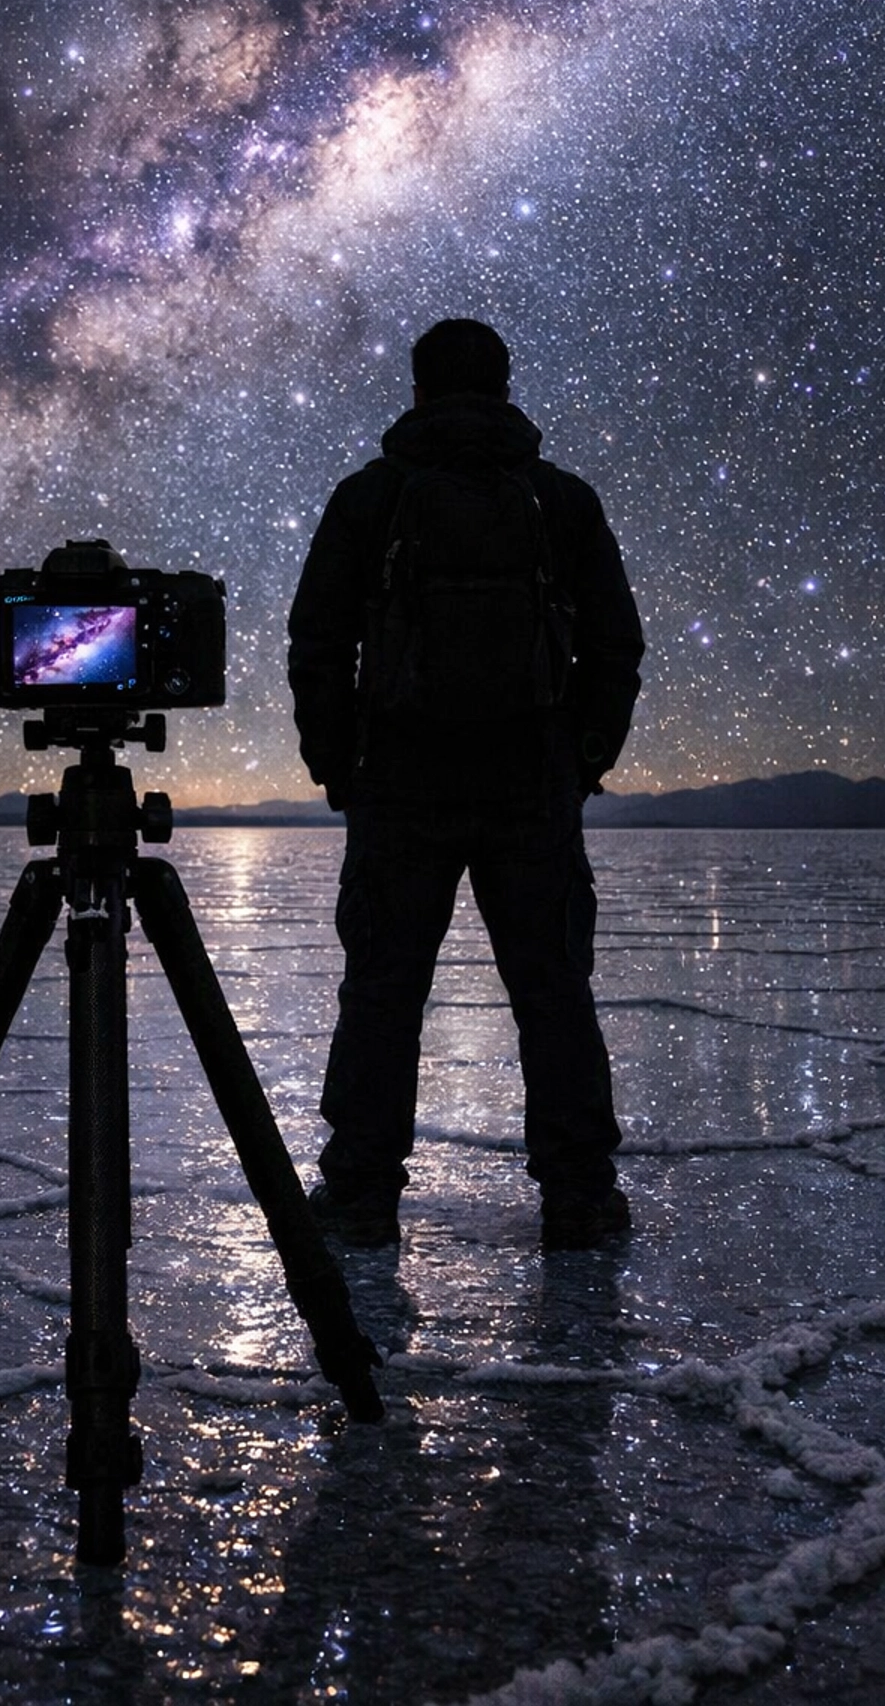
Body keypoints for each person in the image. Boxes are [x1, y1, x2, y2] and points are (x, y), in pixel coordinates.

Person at [287, 318, 644, 1249]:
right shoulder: (562, 500)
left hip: (400, 786)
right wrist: (584, 756)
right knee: (553, 992)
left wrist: (338, 763)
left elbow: (317, 643)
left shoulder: (371, 496)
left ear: (417, 390)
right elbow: (616, 644)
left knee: (382, 993)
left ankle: (362, 1196)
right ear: (503, 386)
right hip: (531, 785)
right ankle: (579, 1198)